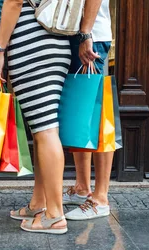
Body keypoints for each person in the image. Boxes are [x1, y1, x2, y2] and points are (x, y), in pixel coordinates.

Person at [0, 0, 101, 234]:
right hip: (56, 41)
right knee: (44, 128)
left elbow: (14, 2)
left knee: (45, 129)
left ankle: (54, 215)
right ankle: (40, 204)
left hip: (31, 40)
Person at [62, 0, 114, 220]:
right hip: (78, 34)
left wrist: (85, 33)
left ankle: (101, 198)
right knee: (80, 113)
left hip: (91, 36)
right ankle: (83, 187)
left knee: (98, 116)